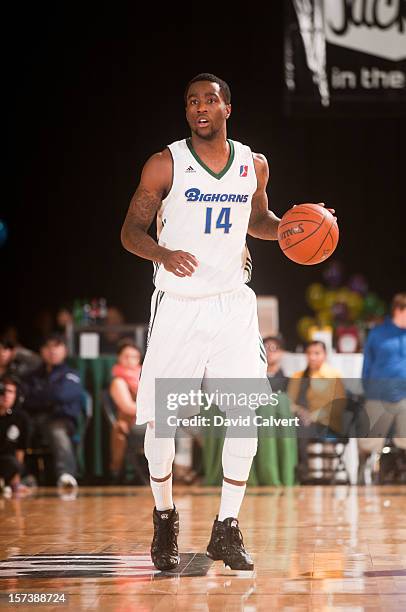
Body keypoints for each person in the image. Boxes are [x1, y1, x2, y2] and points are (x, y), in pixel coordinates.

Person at [121, 73, 334, 571]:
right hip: (177, 305)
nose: (200, 107)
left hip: (232, 306)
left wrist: (296, 227)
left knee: (246, 416)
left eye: (210, 100)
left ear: (227, 109)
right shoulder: (164, 164)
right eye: (192, 100)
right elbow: (130, 230)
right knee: (161, 422)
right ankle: (165, 516)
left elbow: (257, 221)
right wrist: (162, 251)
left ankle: (227, 528)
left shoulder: (252, 165)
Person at [22, 333, 83, 491]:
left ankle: (66, 475)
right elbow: (26, 399)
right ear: (41, 351)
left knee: (56, 430)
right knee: (18, 426)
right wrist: (50, 397)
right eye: (48, 347)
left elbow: (62, 395)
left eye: (57, 346)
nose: (52, 351)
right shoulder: (31, 376)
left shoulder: (72, 374)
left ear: (65, 350)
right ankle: (21, 476)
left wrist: (42, 396)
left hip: (62, 420)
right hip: (34, 419)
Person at [358, 292, 406, 471]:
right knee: (367, 442)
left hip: (404, 397)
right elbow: (367, 363)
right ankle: (362, 472)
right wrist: (367, 389)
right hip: (378, 394)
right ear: (399, 310)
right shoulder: (378, 333)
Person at [287, 340, 347, 475]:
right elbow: (289, 402)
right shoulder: (298, 376)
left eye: (317, 353)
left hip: (328, 422)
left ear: (325, 355)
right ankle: (297, 469)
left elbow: (339, 405)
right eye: (309, 353)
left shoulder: (334, 376)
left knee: (302, 428)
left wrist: (313, 416)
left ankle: (304, 468)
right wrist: (301, 411)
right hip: (303, 420)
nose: (312, 357)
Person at [109, 340, 142, 482]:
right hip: (132, 423)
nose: (130, 360)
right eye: (126, 356)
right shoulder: (119, 381)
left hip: (149, 419)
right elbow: (128, 408)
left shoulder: (144, 377)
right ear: (119, 358)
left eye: (134, 357)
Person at [0, 374, 30, 496]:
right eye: (3, 391)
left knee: (14, 463)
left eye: (11, 391)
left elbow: (20, 450)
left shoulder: (21, 418)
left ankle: (6, 483)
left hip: (6, 462)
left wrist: (16, 481)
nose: (6, 395)